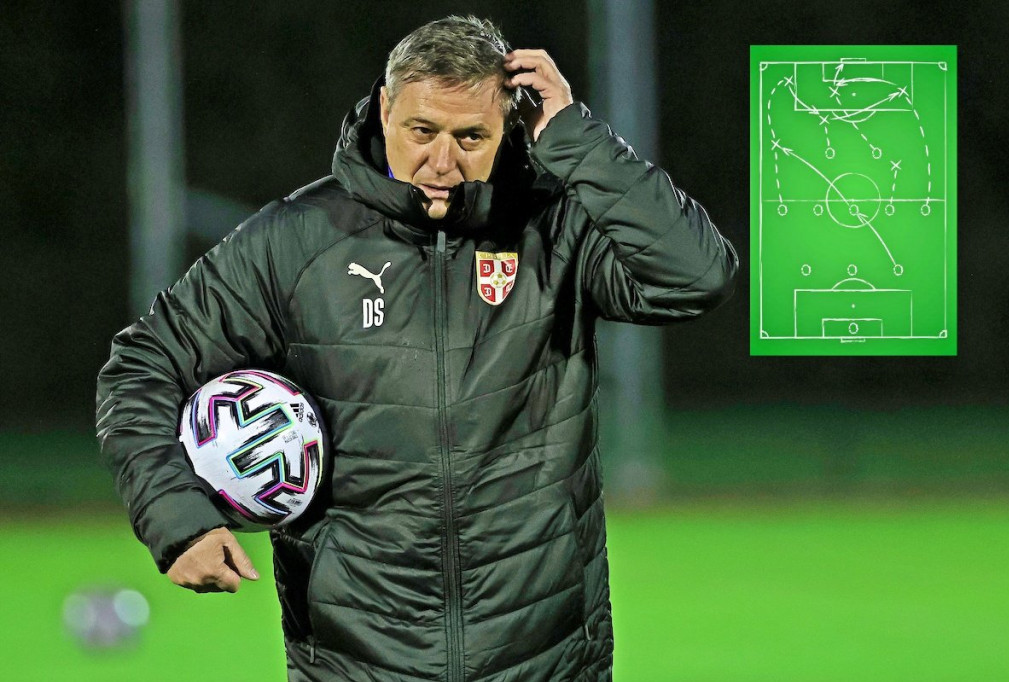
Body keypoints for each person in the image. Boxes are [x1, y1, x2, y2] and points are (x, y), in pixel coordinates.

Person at [96, 15, 737, 682]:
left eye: (471, 137)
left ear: (511, 126)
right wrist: (178, 518)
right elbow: (141, 366)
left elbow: (696, 277)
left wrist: (574, 137)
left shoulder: (553, 226)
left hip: (543, 658)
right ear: (385, 110)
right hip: (357, 661)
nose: (441, 161)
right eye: (421, 131)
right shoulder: (297, 241)